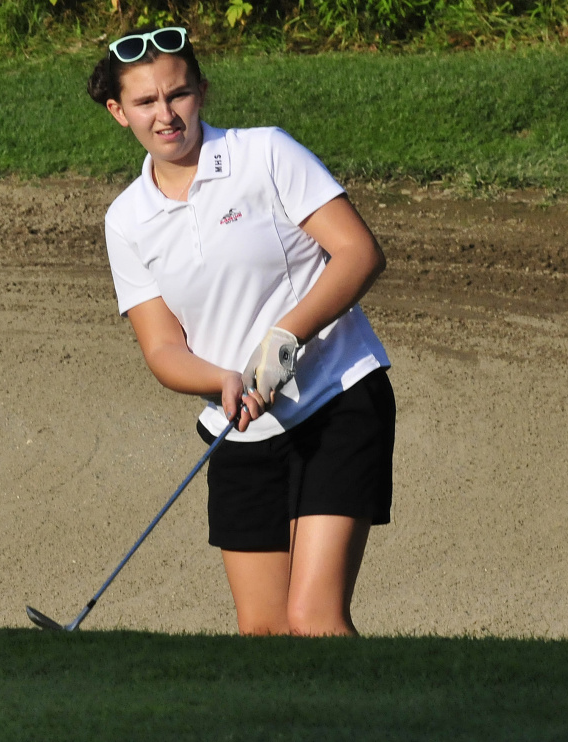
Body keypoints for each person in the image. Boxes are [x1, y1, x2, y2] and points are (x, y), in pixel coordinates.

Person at [86, 26, 395, 636]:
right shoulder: (126, 220)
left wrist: (285, 335)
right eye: (146, 102)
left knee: (313, 619)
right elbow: (163, 348)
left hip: (337, 399)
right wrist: (222, 378)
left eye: (178, 95)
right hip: (241, 423)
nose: (166, 115)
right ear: (119, 113)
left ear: (202, 90)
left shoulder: (265, 154)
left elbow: (358, 253)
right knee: (264, 634)